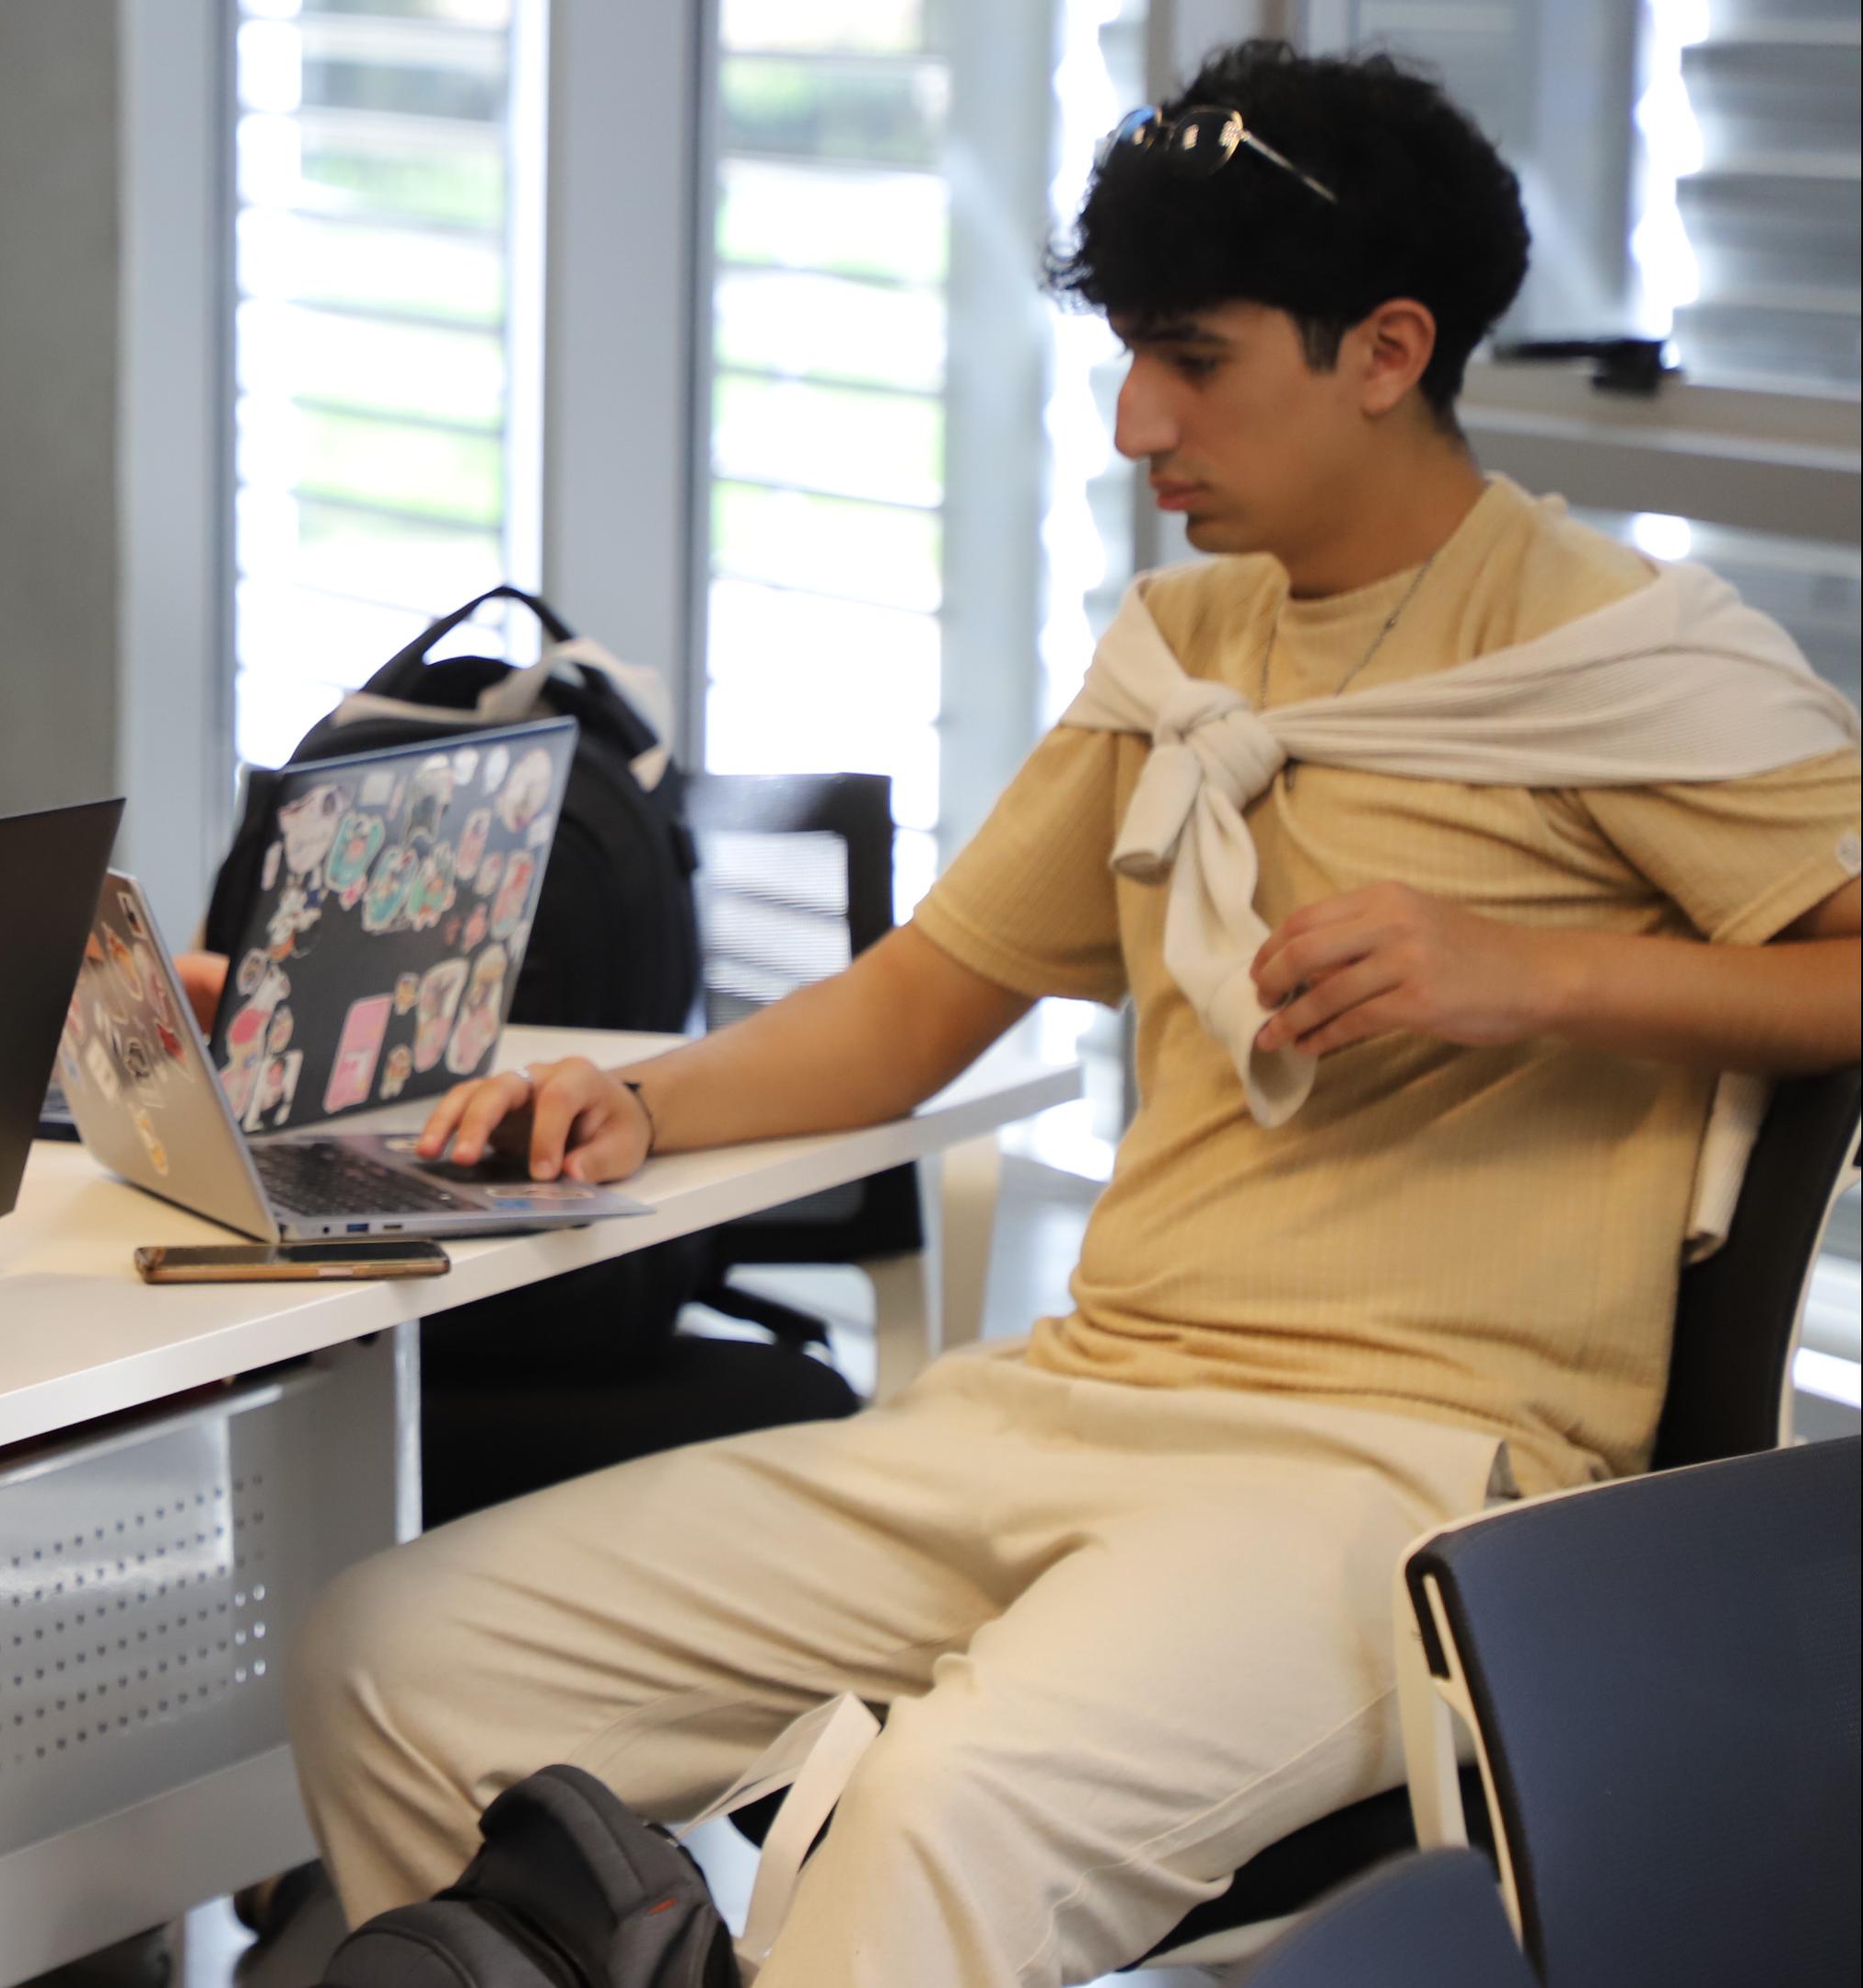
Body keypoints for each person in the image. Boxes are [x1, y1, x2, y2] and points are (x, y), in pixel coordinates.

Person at [284, 42, 1861, 1987]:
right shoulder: (1184, 656)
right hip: (1073, 1395)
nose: (1134, 422)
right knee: (400, 1657)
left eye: (1193, 359)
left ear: (1387, 348)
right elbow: (918, 1001)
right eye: (1128, 355)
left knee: (941, 1809)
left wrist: (1539, 970)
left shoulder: (1616, 655)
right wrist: (650, 1101)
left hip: (1395, 1458)